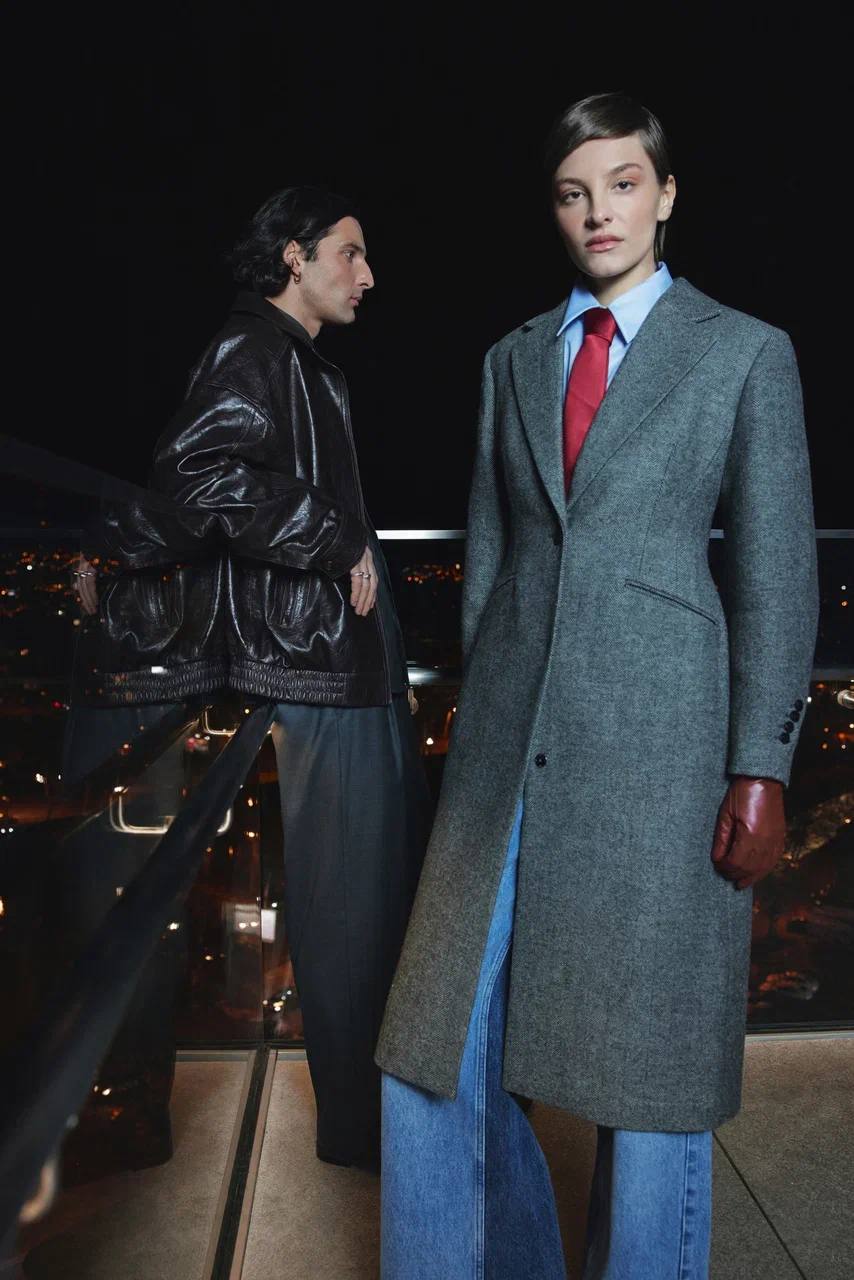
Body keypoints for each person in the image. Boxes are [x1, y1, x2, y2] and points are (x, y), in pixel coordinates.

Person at [374, 92, 819, 1278]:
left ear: (664, 194)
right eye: (573, 193)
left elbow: (777, 576)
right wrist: (478, 711)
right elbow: (491, 558)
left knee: (649, 1077)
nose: (597, 212)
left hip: (664, 746)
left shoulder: (742, 351)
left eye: (621, 184)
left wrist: (761, 763)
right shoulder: (511, 358)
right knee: (429, 1050)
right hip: (504, 747)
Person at [74, 186, 432, 1171]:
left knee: (358, 904)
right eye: (351, 252)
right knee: (354, 908)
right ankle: (364, 1130)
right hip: (307, 661)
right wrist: (333, 535)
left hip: (317, 657)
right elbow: (200, 476)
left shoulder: (289, 358)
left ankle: (361, 1125)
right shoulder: (254, 348)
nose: (368, 275)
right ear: (292, 255)